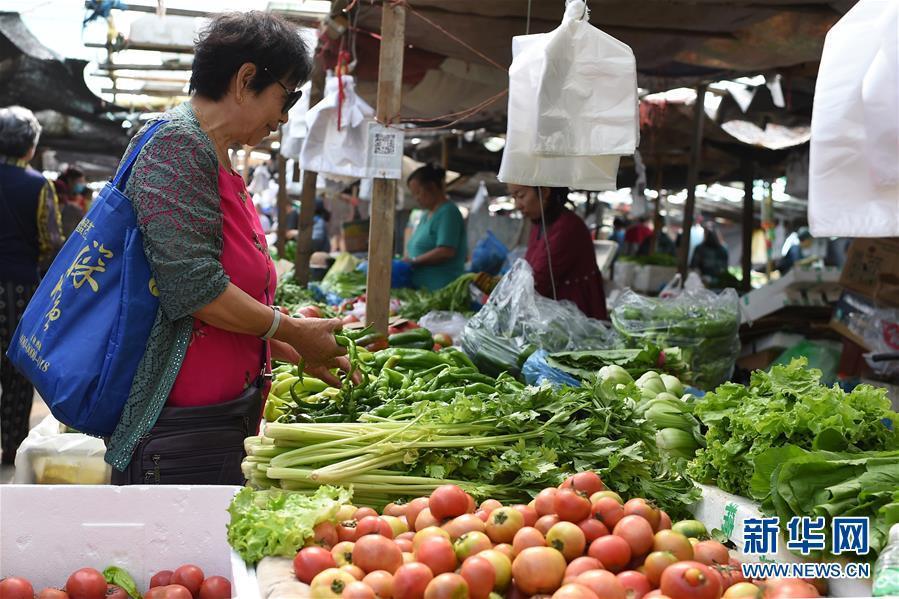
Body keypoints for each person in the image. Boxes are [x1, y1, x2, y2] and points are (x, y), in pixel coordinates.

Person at [103, 11, 352, 484]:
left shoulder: (214, 158)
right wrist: (293, 329)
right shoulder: (175, 146)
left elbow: (221, 307)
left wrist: (293, 348)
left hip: (216, 421)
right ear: (245, 80)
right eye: (287, 97)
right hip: (176, 434)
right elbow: (195, 290)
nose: (283, 117)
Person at [0, 105, 63, 465]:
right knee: (16, 373)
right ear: (29, 147)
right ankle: (11, 448)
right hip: (19, 290)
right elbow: (51, 243)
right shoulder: (39, 186)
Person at [509, 184, 608, 320]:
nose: (517, 205)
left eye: (521, 196)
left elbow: (538, 282)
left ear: (544, 192)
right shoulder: (539, 225)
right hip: (556, 316)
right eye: (514, 197)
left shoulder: (567, 227)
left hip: (576, 320)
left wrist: (501, 293)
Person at [405, 164, 467, 291]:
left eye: (418, 193)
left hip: (441, 291)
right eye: (413, 194)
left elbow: (446, 251)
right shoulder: (425, 215)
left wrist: (414, 261)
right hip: (422, 290)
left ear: (432, 187)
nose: (416, 198)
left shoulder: (448, 212)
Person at [56, 166, 87, 238]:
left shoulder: (81, 199)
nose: (82, 185)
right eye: (80, 181)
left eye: (83, 182)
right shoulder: (59, 195)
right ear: (70, 180)